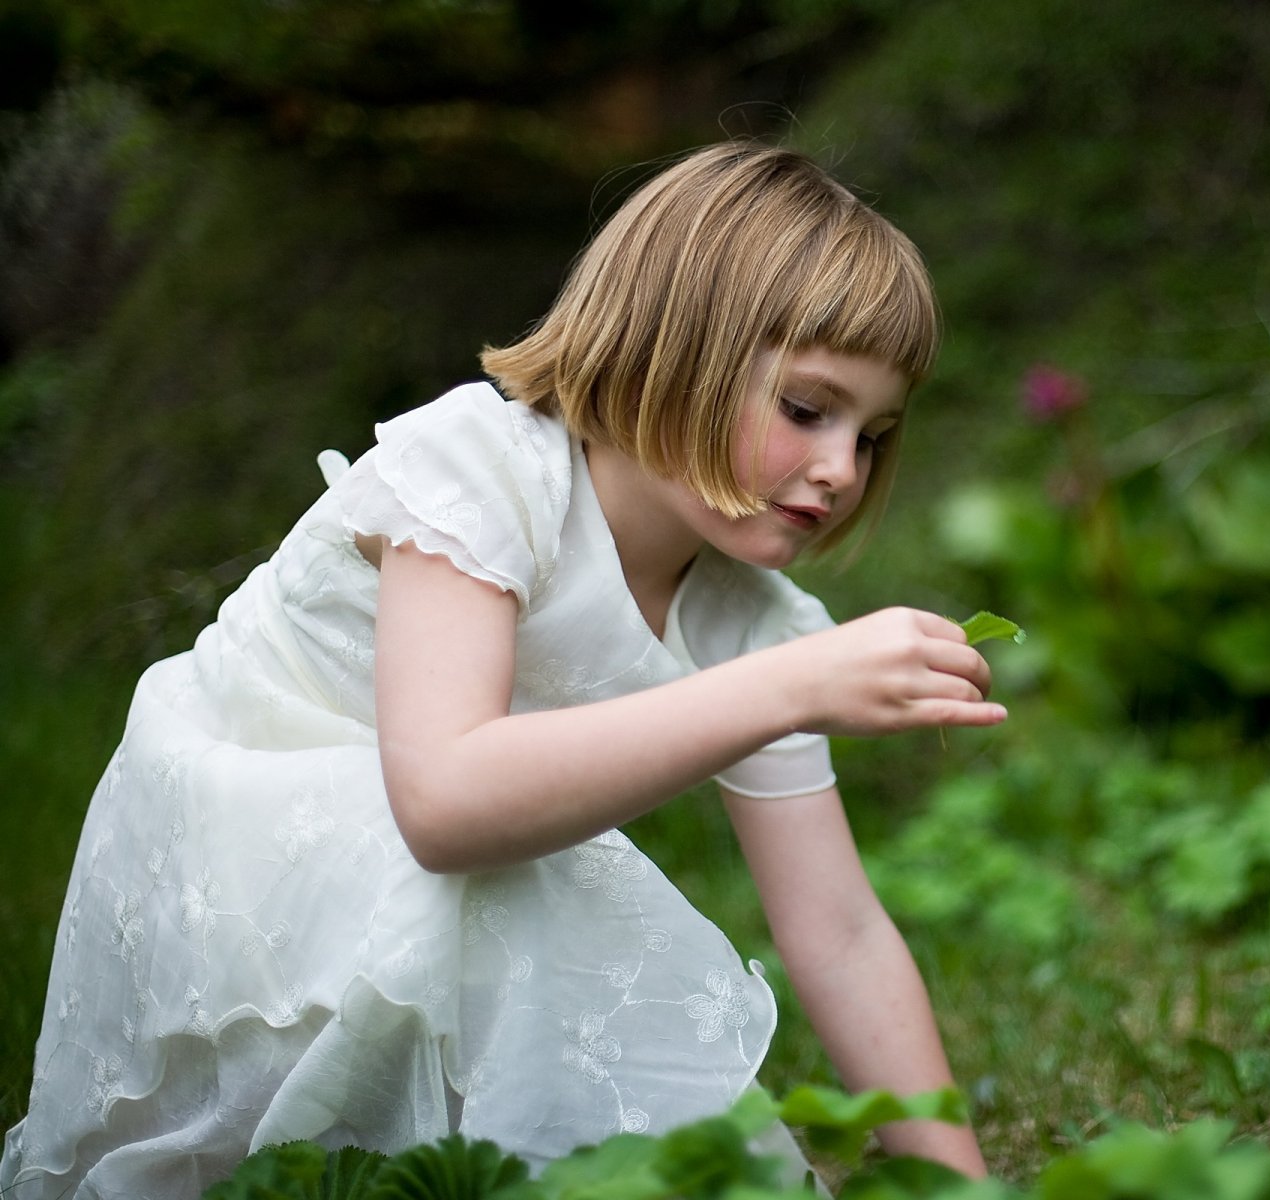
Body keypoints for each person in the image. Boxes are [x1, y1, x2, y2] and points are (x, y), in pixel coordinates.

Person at [0, 141, 1003, 1199]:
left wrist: (959, 1188)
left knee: (691, 1133)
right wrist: (793, 689)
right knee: (551, 890)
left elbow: (838, 931)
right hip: (244, 857)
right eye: (808, 409)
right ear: (676, 348)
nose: (842, 469)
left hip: (431, 884)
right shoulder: (480, 470)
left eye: (875, 436)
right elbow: (446, 802)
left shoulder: (756, 625)